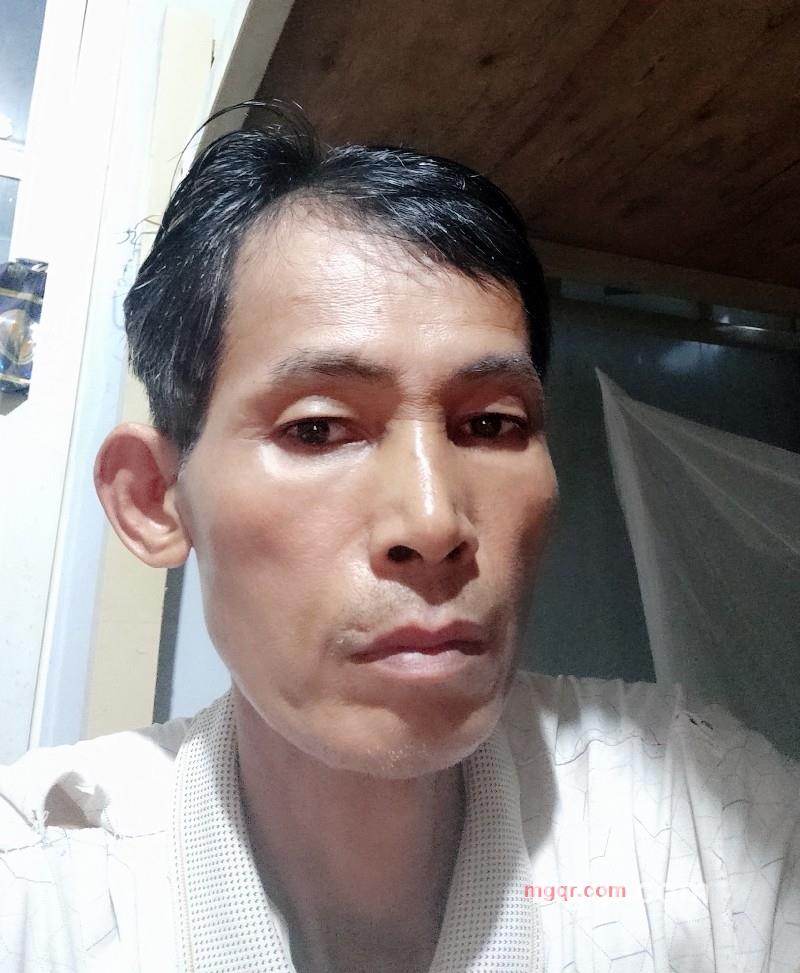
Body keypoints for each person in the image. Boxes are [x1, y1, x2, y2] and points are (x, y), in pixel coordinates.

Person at [1, 107, 798, 973]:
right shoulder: (38, 883)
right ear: (156, 501)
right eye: (317, 428)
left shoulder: (703, 825)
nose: (432, 521)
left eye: (491, 423)